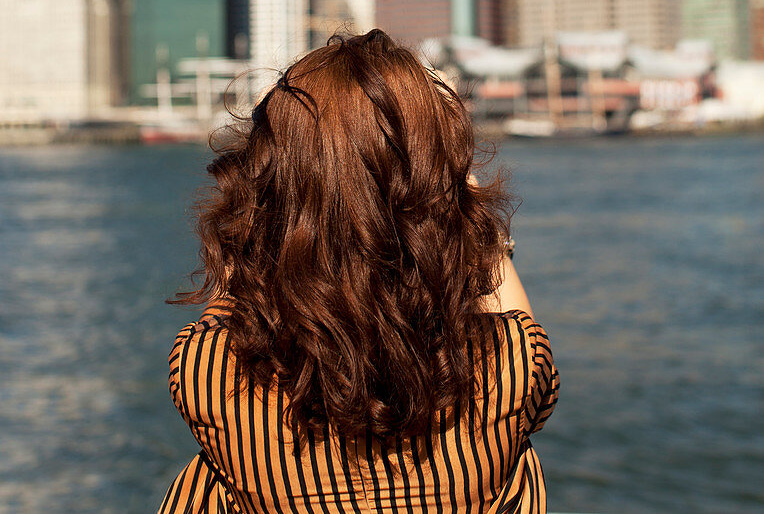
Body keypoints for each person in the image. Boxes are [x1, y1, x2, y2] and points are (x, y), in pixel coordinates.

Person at [157, 30, 559, 514]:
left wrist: (261, 214)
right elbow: (524, 336)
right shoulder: (509, 369)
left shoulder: (211, 374)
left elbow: (234, 300)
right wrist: (468, 217)